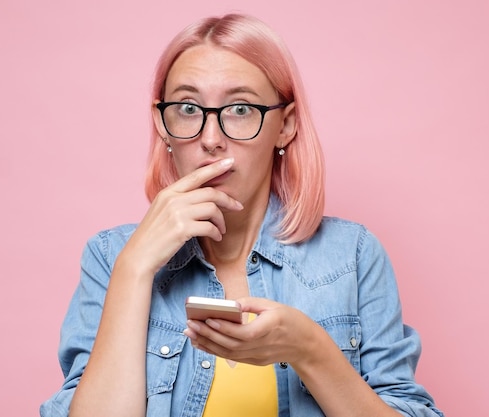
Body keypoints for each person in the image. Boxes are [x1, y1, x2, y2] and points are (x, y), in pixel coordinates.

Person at [40, 13, 444, 417]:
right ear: (162, 125)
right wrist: (134, 268)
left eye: (240, 109)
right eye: (187, 107)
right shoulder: (111, 257)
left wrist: (309, 349)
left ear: (285, 126)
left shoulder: (352, 256)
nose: (211, 139)